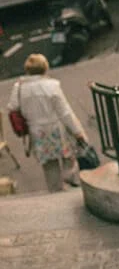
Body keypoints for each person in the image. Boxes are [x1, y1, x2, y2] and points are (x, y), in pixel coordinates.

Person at [7, 54, 89, 192]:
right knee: (68, 157)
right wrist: (77, 132)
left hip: (37, 131)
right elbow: (64, 112)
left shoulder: (19, 88)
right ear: (45, 68)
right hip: (57, 128)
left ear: (27, 70)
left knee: (49, 164)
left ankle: (55, 190)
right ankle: (69, 182)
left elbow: (12, 107)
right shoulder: (52, 85)